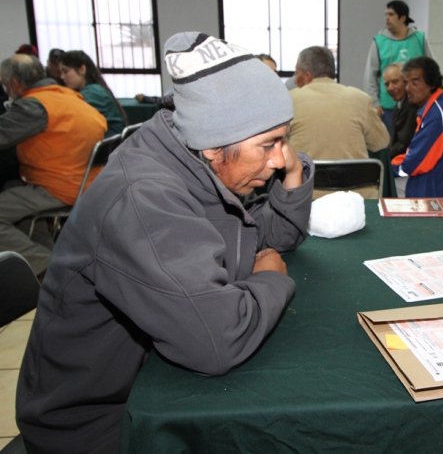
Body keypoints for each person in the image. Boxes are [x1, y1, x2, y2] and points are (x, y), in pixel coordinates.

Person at [16, 31, 314, 453]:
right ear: (214, 146)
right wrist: (269, 279)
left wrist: (293, 176)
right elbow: (216, 340)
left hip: (136, 382)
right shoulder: (146, 198)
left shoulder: (187, 157)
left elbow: (271, 237)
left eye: (284, 140)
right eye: (269, 144)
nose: (282, 158)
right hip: (92, 422)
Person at [0, 53, 106, 277]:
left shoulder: (33, 106)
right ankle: (53, 260)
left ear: (14, 83)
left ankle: (47, 267)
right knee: (14, 198)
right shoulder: (66, 96)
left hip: (60, 185)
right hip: (89, 180)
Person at [289, 46, 388, 197]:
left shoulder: (290, 100)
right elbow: (381, 142)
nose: (295, 80)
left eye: (297, 73)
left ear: (307, 75)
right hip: (358, 200)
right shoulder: (360, 99)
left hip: (307, 199)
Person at [391, 57, 443, 199]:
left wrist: (389, 168)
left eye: (415, 82)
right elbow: (415, 155)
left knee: (380, 187)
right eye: (406, 82)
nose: (408, 88)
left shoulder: (439, 116)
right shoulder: (436, 109)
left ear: (431, 83)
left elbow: (412, 165)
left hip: (435, 197)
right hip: (432, 185)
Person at [364, 0, 432, 135]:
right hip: (388, 107)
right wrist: (374, 103)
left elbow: (431, 69)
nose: (387, 18)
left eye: (391, 14)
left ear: (402, 17)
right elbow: (370, 75)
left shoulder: (419, 38)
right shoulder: (379, 41)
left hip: (417, 104)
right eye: (386, 15)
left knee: (415, 144)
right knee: (391, 146)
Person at [59, 50, 127, 136]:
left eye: (65, 71)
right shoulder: (95, 89)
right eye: (60, 72)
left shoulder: (93, 92)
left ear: (82, 69)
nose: (62, 77)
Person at [383, 62, 418, 161]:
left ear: (405, 82)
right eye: (387, 84)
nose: (390, 88)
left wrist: (383, 158)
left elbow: (403, 144)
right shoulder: (400, 104)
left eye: (395, 82)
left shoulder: (411, 106)